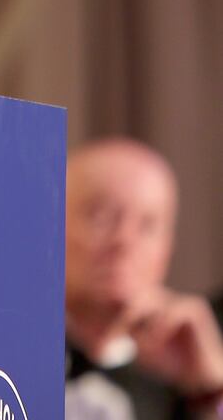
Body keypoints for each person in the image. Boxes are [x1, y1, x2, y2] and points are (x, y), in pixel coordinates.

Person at [64, 138, 223, 419]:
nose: (123, 240)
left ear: (168, 248)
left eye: (147, 225)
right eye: (100, 216)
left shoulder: (185, 372)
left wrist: (211, 391)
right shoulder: (11, 350)